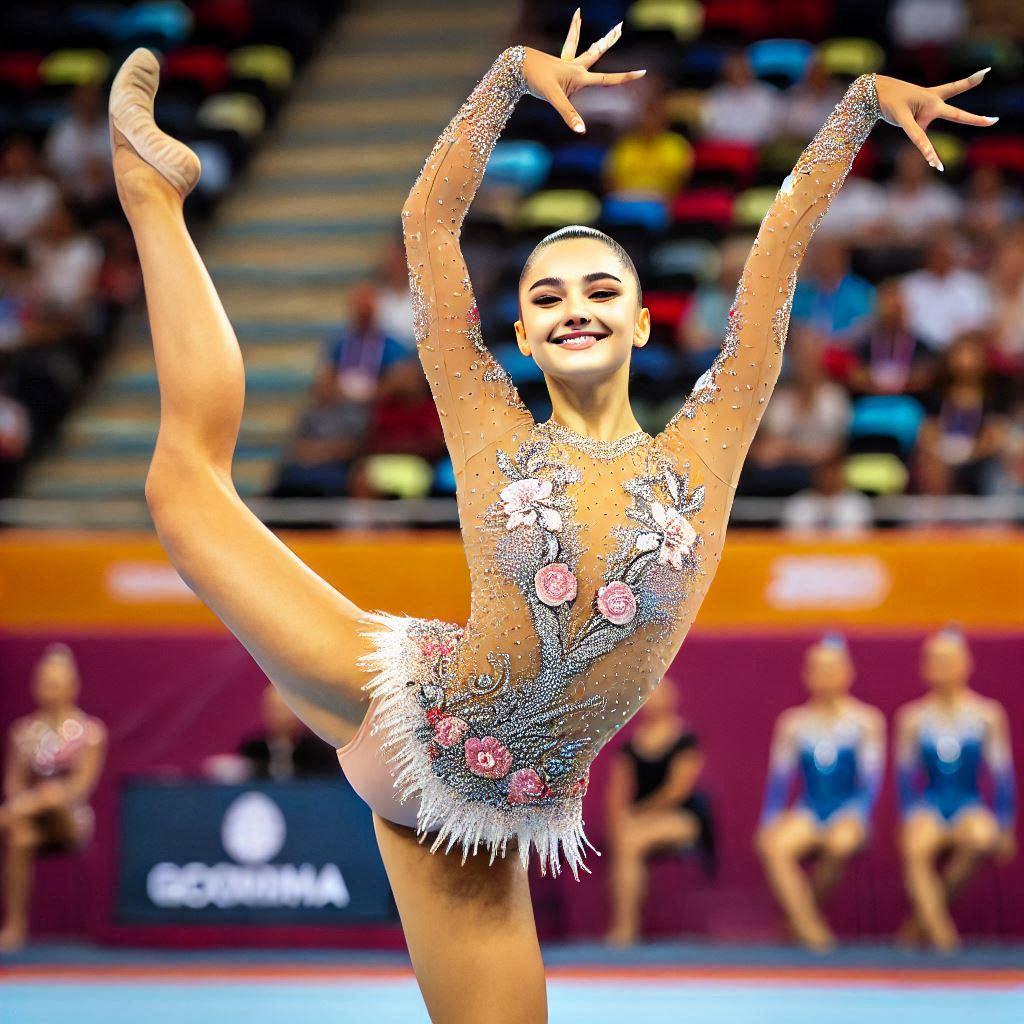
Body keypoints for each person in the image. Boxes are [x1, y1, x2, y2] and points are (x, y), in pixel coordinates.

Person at [107, 15, 997, 1018]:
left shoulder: (705, 448)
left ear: (643, 320)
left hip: (494, 820)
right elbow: (427, 226)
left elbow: (778, 251)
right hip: (406, 714)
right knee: (182, 485)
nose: (575, 305)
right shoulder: (489, 423)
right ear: (522, 332)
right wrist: (505, 79)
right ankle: (153, 197)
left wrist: (861, 105)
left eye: (602, 288)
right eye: (547, 294)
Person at [756, 635, 885, 952]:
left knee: (839, 843)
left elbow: (871, 780)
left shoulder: (866, 722)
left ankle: (799, 922)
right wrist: (769, 820)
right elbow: (779, 780)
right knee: (775, 847)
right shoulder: (793, 724)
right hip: (811, 808)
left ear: (847, 673)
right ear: (807, 674)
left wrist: (858, 815)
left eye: (832, 669)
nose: (825, 676)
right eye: (818, 669)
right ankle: (813, 932)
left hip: (848, 808)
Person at [895, 626, 1016, 952]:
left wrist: (1005, 824)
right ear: (924, 667)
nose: (943, 668)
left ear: (966, 664)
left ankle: (919, 924)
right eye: (935, 661)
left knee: (981, 837)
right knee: (916, 847)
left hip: (967, 804)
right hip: (931, 804)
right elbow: (905, 778)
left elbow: (1002, 776)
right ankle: (944, 940)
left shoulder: (986, 715)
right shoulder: (913, 718)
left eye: (949, 661)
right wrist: (909, 817)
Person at [0, 643, 107, 952]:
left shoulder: (90, 733)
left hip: (70, 818)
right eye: (45, 683)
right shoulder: (22, 732)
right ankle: (15, 925)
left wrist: (38, 800)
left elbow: (79, 787)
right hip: (31, 819)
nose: (51, 691)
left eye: (57, 684)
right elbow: (13, 783)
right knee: (19, 837)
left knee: (43, 801)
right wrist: (28, 803)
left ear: (73, 686)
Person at [604, 675, 714, 947]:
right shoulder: (631, 746)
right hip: (640, 822)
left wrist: (639, 813)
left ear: (672, 700)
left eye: (659, 693)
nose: (653, 700)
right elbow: (617, 793)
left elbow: (678, 789)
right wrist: (617, 824)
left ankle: (626, 927)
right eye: (649, 694)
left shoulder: (685, 740)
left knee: (632, 840)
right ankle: (625, 925)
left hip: (681, 817)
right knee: (627, 840)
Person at [237, 685, 339, 780]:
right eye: (273, 709)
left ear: (298, 712)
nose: (278, 716)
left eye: (283, 710)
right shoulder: (253, 750)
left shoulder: (317, 751)